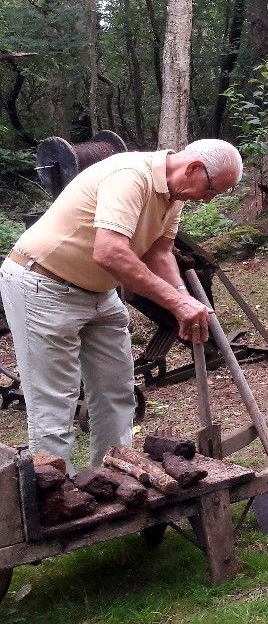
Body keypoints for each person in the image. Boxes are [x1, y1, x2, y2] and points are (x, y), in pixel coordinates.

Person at [0, 139, 242, 471]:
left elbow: (159, 253)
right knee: (54, 407)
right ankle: (54, 501)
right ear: (194, 169)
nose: (209, 198)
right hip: (42, 286)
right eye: (213, 189)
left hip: (99, 292)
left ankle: (114, 480)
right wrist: (176, 301)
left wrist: (182, 300)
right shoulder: (130, 176)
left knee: (117, 395)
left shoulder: (174, 194)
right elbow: (109, 252)